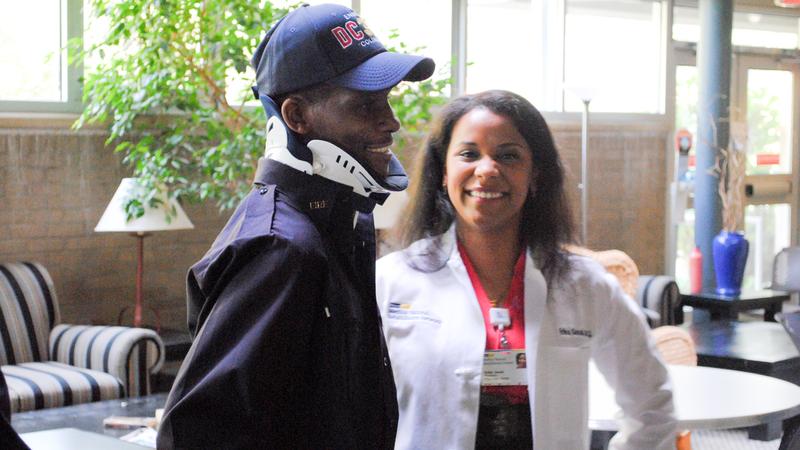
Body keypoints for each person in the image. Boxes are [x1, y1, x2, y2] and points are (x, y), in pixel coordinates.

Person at [157, 4, 434, 449]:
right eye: (366, 104)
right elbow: (194, 433)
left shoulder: (341, 226)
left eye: (387, 100)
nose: (391, 121)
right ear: (297, 117)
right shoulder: (282, 248)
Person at [376, 90, 676, 449]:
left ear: (535, 175)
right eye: (469, 154)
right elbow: (353, 409)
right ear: (443, 172)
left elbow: (652, 405)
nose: (487, 170)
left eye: (509, 155)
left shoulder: (585, 285)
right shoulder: (393, 281)